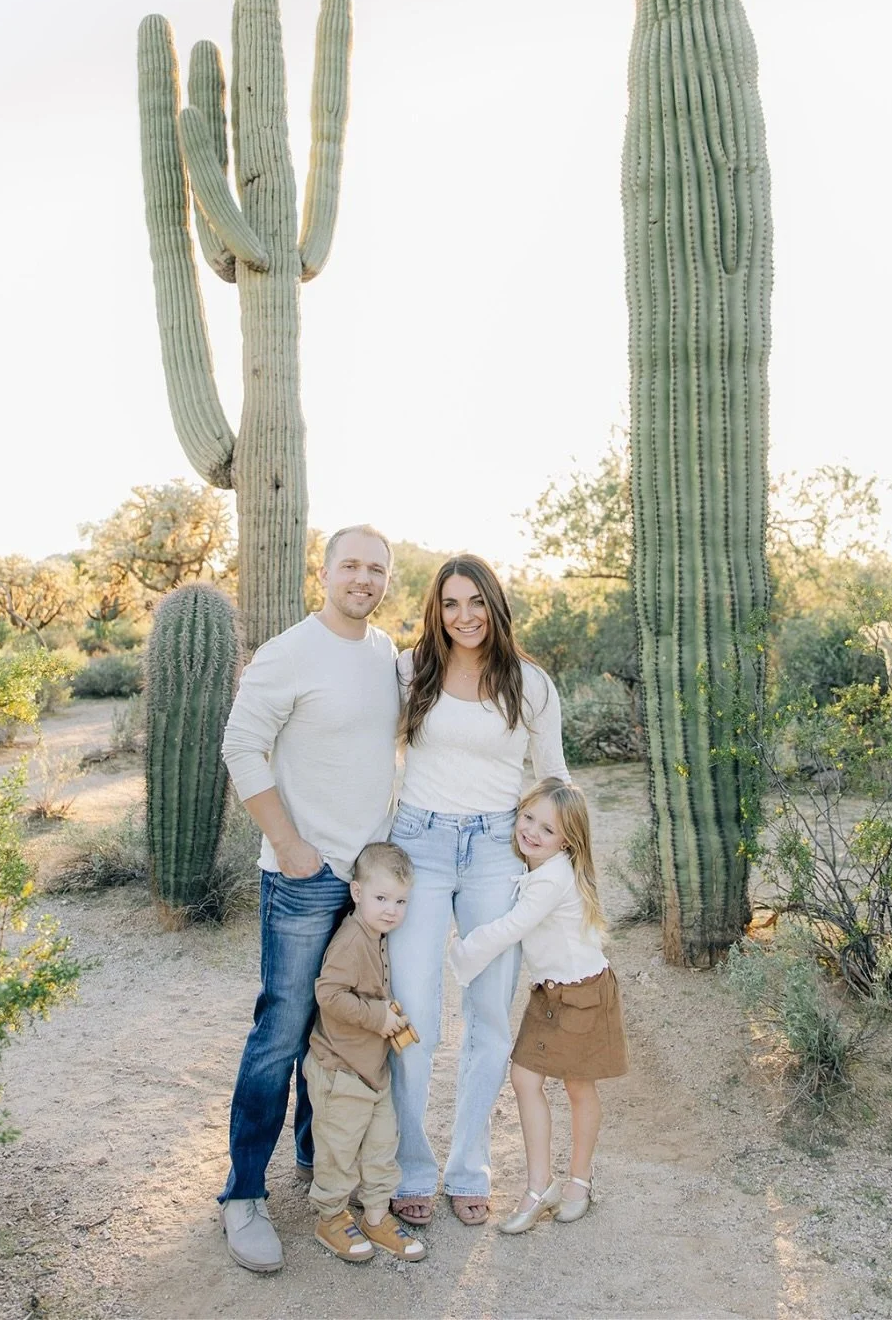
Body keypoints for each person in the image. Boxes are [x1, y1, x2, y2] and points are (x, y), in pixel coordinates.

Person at [217, 525, 398, 1273]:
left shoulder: (384, 650)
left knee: (338, 1031)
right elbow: (239, 744)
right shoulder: (291, 651)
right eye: (350, 564)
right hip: (302, 876)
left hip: (362, 884)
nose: (363, 578)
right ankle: (242, 1195)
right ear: (323, 571)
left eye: (376, 569)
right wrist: (288, 845)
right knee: (283, 1031)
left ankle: (316, 1163)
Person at [386, 554, 568, 1227]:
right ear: (436, 610)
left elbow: (555, 780)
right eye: (451, 603)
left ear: (495, 605)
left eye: (476, 602)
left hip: (497, 852)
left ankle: (469, 1167)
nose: (464, 616)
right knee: (416, 1016)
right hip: (420, 846)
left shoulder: (531, 685)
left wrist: (560, 870)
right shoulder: (409, 673)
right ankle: (412, 1165)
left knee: (488, 1016)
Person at [447, 777, 629, 1234]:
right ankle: (539, 1185)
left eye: (546, 830)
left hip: (583, 993)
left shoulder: (552, 877)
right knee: (526, 1077)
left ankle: (578, 1182)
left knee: (578, 1088)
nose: (531, 832)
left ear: (566, 841)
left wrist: (461, 951)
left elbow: (511, 928)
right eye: (527, 817)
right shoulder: (538, 866)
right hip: (551, 994)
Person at [304, 842, 427, 1263]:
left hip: (373, 1072)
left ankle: (376, 1217)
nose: (391, 909)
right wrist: (377, 1016)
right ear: (356, 893)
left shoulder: (379, 936)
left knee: (380, 1147)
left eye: (400, 901)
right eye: (381, 898)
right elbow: (329, 994)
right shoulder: (351, 940)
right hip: (341, 1072)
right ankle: (331, 1217)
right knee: (338, 1151)